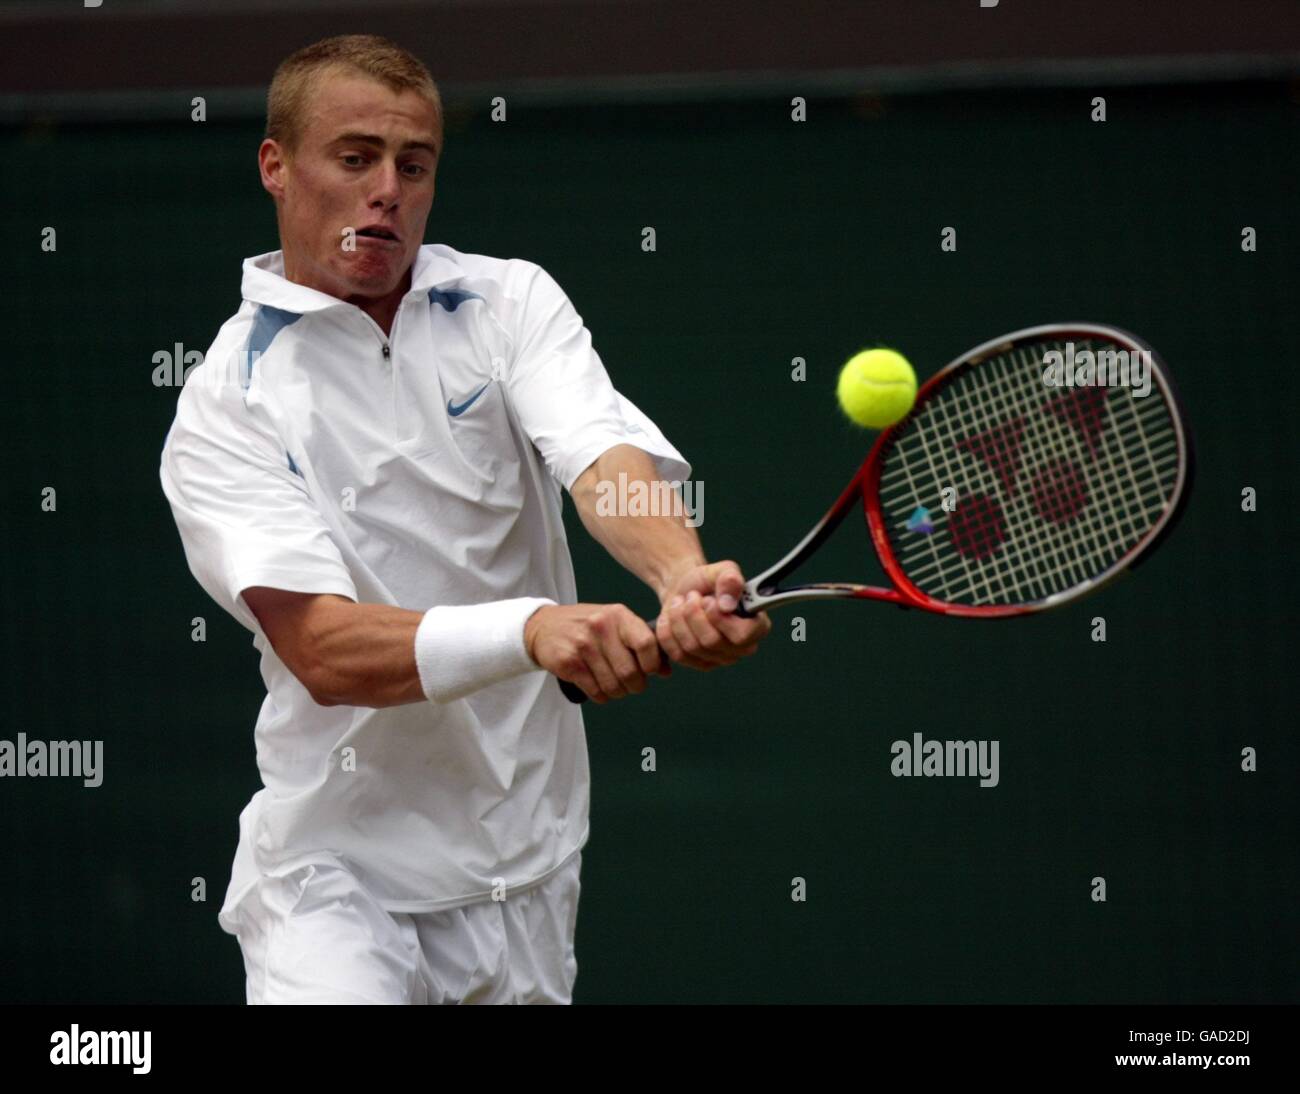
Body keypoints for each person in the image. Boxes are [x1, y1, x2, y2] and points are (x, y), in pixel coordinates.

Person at [159, 33, 771, 1004]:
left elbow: (596, 456)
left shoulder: (508, 301)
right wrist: (532, 630)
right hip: (335, 879)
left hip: (523, 866)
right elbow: (322, 646)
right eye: (355, 157)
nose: (387, 190)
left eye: (414, 163)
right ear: (276, 167)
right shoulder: (225, 402)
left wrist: (678, 574)